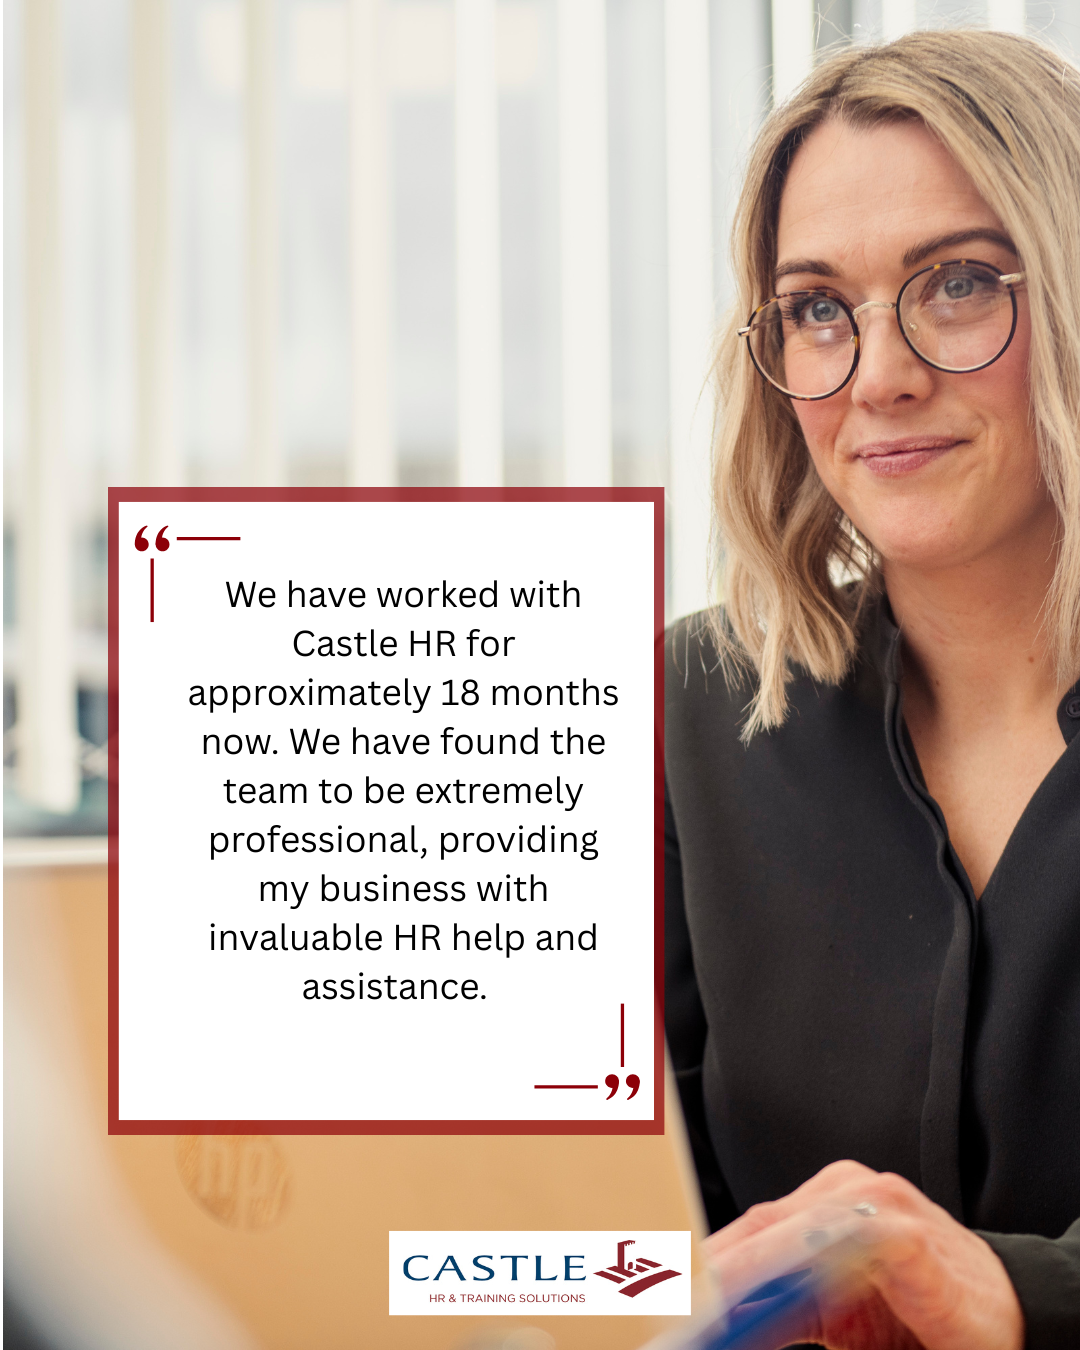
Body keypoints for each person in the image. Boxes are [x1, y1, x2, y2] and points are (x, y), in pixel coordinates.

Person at [664, 29, 1080, 1350]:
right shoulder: (685, 713)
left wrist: (1013, 1292)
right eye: (817, 308)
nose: (882, 376)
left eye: (957, 284)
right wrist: (674, 1283)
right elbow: (504, 1251)